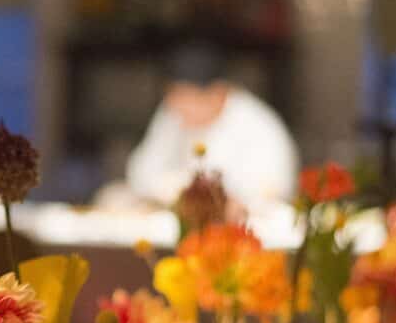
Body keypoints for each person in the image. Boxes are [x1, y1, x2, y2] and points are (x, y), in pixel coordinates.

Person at [125, 44, 297, 222]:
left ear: (218, 93)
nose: (179, 109)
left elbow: (270, 195)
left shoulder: (260, 127)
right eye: (173, 97)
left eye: (188, 99)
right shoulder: (172, 114)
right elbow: (140, 173)